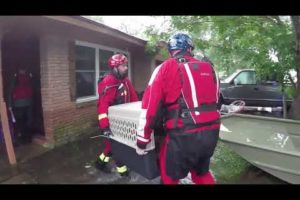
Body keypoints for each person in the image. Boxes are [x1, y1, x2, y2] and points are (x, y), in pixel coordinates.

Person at [135, 33, 221, 184]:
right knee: (202, 173)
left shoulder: (166, 67)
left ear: (171, 50)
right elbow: (217, 102)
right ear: (190, 48)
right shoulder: (210, 69)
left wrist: (143, 140)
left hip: (183, 135)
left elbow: (150, 108)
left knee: (169, 176)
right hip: (211, 133)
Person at [95, 53, 139, 177]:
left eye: (126, 65)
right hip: (110, 121)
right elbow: (102, 106)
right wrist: (105, 127)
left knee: (111, 146)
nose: (126, 68)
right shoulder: (108, 81)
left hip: (123, 119)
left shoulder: (125, 81)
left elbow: (134, 98)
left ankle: (100, 163)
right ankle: (123, 171)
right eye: (123, 66)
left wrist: (138, 115)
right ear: (115, 68)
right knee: (117, 146)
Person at [8, 67, 33, 144]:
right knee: (27, 121)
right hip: (28, 102)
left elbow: (10, 92)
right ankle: (27, 139)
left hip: (18, 104)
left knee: (19, 122)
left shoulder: (14, 78)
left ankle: (20, 139)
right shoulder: (29, 77)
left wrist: (10, 104)